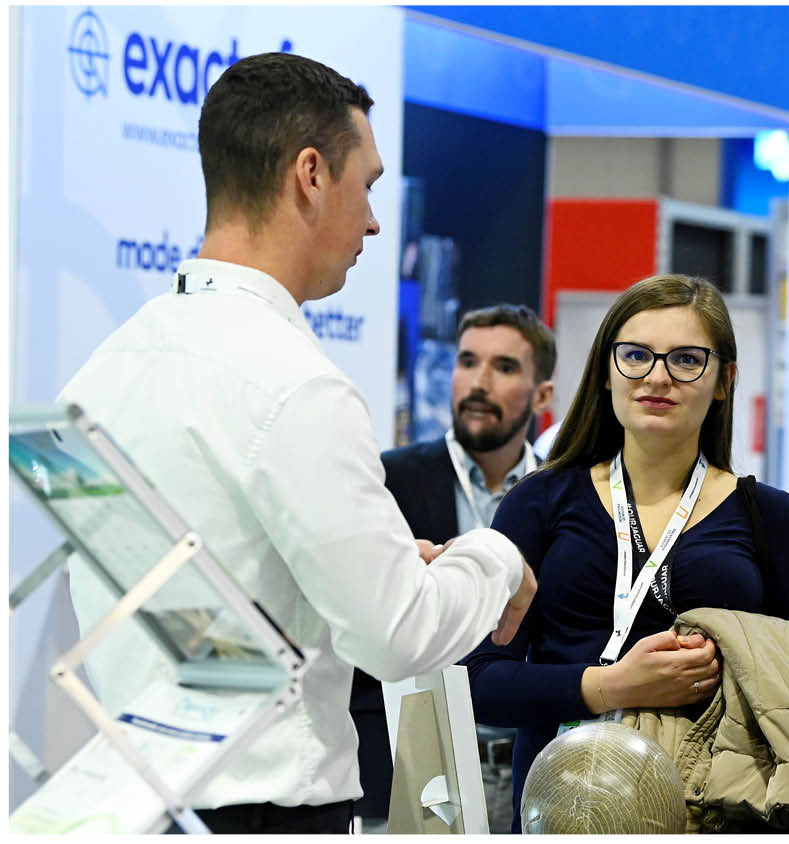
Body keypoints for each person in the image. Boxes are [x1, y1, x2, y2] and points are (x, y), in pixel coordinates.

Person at [58, 53, 536, 834]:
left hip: (131, 803)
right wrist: (497, 557)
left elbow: (221, 579)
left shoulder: (107, 366)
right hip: (260, 809)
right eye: (367, 184)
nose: (374, 221)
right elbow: (398, 634)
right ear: (311, 175)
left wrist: (377, 565)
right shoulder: (295, 383)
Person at [462, 274, 789, 832]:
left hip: (720, 815)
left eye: (686, 360)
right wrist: (610, 686)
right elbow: (476, 681)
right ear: (607, 370)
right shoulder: (538, 501)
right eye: (636, 355)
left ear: (724, 380)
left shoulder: (771, 517)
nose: (657, 376)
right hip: (562, 817)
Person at [349, 303, 555, 822]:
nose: (478, 383)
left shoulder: (565, 494)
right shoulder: (386, 479)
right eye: (468, 362)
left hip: (534, 768)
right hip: (407, 764)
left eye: (504, 367)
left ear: (542, 394)